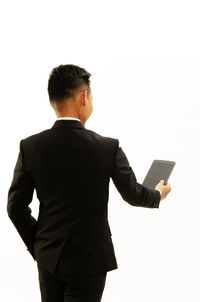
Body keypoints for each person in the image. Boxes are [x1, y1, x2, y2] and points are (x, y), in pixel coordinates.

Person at [7, 64, 171, 302]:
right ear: (83, 97)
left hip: (49, 260)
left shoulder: (30, 147)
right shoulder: (107, 147)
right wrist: (157, 194)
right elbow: (133, 194)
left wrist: (40, 247)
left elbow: (15, 208)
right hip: (90, 261)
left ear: (53, 100)